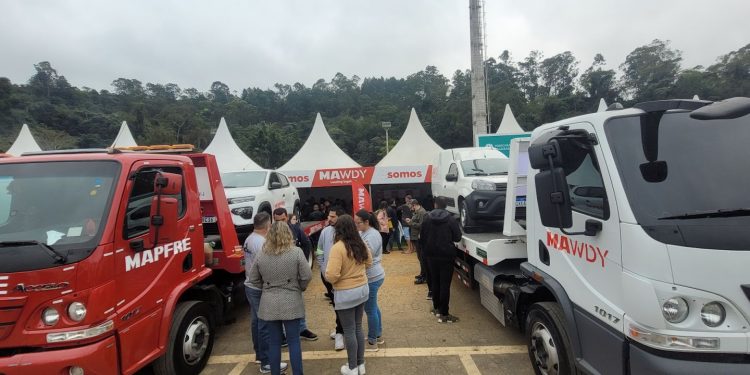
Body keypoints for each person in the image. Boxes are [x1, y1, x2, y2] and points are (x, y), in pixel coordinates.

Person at [248, 221, 312, 375]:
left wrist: (266, 287)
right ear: (288, 234)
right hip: (291, 300)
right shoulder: (296, 252)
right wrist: (300, 287)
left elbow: (253, 279)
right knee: (294, 341)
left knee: (274, 343)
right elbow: (307, 276)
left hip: (269, 302)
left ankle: (275, 372)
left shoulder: (261, 254)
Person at [325, 215, 373, 375]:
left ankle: (352, 367)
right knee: (358, 328)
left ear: (338, 229)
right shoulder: (360, 243)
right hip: (362, 290)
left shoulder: (337, 248)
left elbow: (331, 275)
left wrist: (339, 278)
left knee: (349, 330)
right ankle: (361, 365)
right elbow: (369, 262)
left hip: (345, 293)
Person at [243, 213, 288, 373]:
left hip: (250, 285)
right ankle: (267, 362)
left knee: (256, 323)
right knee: (265, 325)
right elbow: (267, 267)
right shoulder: (262, 243)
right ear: (267, 226)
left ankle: (259, 355)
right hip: (259, 288)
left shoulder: (249, 239)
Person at [273, 208, 318, 341]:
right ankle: (282, 334)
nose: (280, 223)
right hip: (278, 276)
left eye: (282, 220)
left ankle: (302, 329)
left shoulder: (296, 229)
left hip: (294, 274)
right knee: (280, 306)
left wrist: (301, 263)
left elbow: (306, 244)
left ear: (287, 217)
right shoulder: (271, 233)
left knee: (299, 303)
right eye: (277, 220)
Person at [420, 196, 462, 323]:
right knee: (445, 284)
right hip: (446, 256)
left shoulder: (427, 218)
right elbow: (457, 238)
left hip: (431, 256)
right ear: (446, 206)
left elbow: (422, 237)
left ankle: (436, 308)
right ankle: (444, 314)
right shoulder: (450, 219)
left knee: (435, 282)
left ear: (435, 204)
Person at [315, 206, 347, 350]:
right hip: (328, 275)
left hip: (344, 278)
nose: (329, 219)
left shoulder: (347, 233)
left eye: (333, 216)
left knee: (341, 305)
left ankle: (340, 332)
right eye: (329, 216)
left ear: (340, 217)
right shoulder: (325, 231)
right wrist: (322, 267)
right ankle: (341, 329)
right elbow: (319, 250)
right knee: (336, 304)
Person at [355, 209, 385, 352]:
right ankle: (378, 334)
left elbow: (367, 256)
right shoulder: (364, 232)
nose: (357, 225)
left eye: (358, 223)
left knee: (370, 309)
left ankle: (373, 341)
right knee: (373, 307)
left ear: (366, 222)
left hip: (373, 276)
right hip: (372, 275)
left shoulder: (372, 234)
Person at [409, 199, 429, 295]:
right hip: (416, 237)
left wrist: (411, 223)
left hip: (419, 238)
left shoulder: (422, 212)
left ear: (414, 205)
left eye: (411, 206)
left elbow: (422, 225)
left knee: (422, 258)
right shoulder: (418, 211)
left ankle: (424, 277)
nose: (410, 208)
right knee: (420, 258)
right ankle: (422, 274)